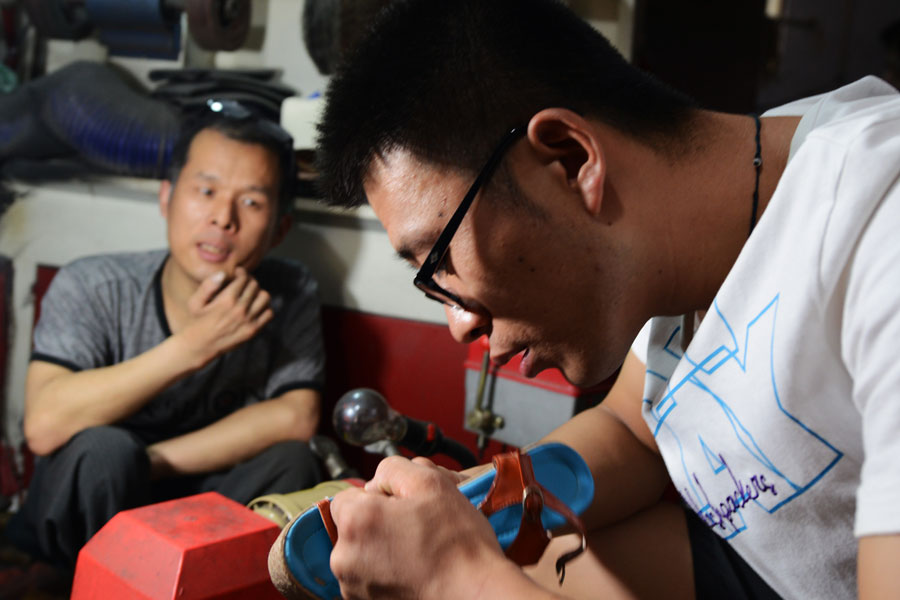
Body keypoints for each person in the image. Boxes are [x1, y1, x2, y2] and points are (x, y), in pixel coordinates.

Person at [310, 0, 900, 598]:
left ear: (570, 160)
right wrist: (473, 505)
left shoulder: (879, 221)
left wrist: (452, 575)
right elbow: (630, 429)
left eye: (440, 259)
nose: (459, 323)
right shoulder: (680, 238)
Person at [8, 102, 326, 567]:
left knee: (294, 462)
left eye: (251, 201)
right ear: (166, 197)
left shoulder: (289, 290)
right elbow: (44, 425)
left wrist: (150, 462)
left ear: (279, 229)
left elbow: (296, 417)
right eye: (206, 190)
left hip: (196, 499)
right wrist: (194, 346)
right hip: (87, 509)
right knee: (103, 452)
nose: (223, 218)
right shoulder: (94, 286)